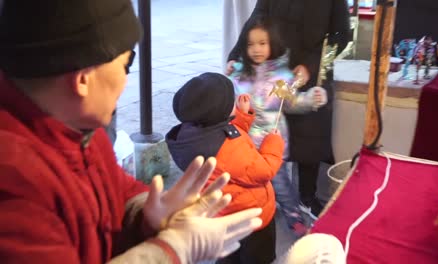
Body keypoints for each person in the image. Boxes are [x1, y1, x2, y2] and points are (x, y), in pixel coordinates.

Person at [0, 0, 263, 263]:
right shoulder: (15, 185)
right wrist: (171, 250)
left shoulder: (79, 129)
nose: (126, 82)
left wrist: (147, 211)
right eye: (126, 64)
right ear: (83, 79)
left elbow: (116, 186)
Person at [226, 0, 351, 216]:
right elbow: (256, 18)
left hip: (313, 69)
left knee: (309, 136)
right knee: (269, 135)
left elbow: (341, 35)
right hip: (274, 67)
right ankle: (270, 195)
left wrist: (312, 67)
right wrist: (236, 55)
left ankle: (306, 198)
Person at [165, 72, 284, 264]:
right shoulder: (229, 149)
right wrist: (273, 143)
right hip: (251, 216)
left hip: (222, 214)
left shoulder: (195, 136)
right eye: (231, 100)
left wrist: (242, 116)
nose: (234, 100)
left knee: (228, 256)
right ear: (219, 112)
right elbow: (264, 170)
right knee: (257, 258)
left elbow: (227, 139)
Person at [228, 16, 328, 236]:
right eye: (251, 44)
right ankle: (256, 213)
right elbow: (230, 104)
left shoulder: (282, 77)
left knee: (281, 183)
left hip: (273, 143)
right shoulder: (238, 74)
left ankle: (294, 218)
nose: (256, 49)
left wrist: (312, 99)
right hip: (245, 144)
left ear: (272, 43)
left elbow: (293, 103)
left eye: (262, 43)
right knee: (248, 183)